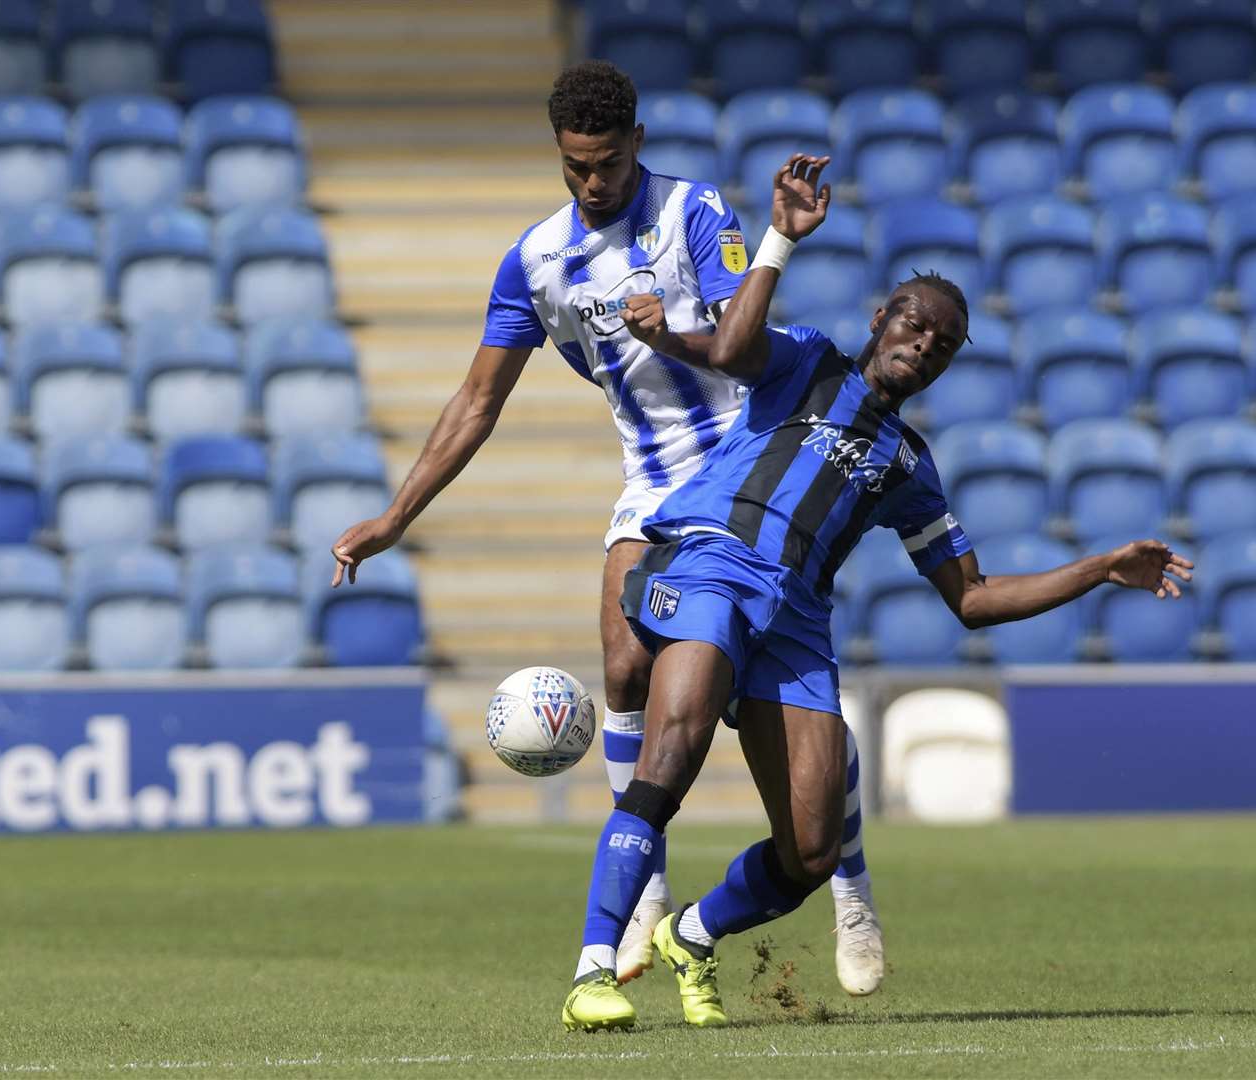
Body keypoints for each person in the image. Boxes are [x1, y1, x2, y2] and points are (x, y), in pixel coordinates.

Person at [560, 153, 1195, 1031]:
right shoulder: (808, 365)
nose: (922, 345)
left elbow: (972, 599)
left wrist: (1098, 569)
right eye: (912, 324)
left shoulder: (911, 467)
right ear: (880, 318)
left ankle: (693, 935)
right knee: (675, 747)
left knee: (813, 851)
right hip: (712, 562)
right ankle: (594, 966)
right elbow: (734, 347)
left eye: (939, 344)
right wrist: (780, 236)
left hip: (795, 621)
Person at [327, 62, 889, 992]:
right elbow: (478, 399)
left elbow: (740, 343)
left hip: (753, 457)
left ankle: (853, 887)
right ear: (559, 153)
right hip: (655, 478)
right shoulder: (537, 260)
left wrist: (672, 324)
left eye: (610, 161)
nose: (594, 182)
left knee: (782, 692)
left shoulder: (695, 214)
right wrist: (395, 516)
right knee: (624, 663)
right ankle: (647, 893)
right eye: (577, 165)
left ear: (637, 141)